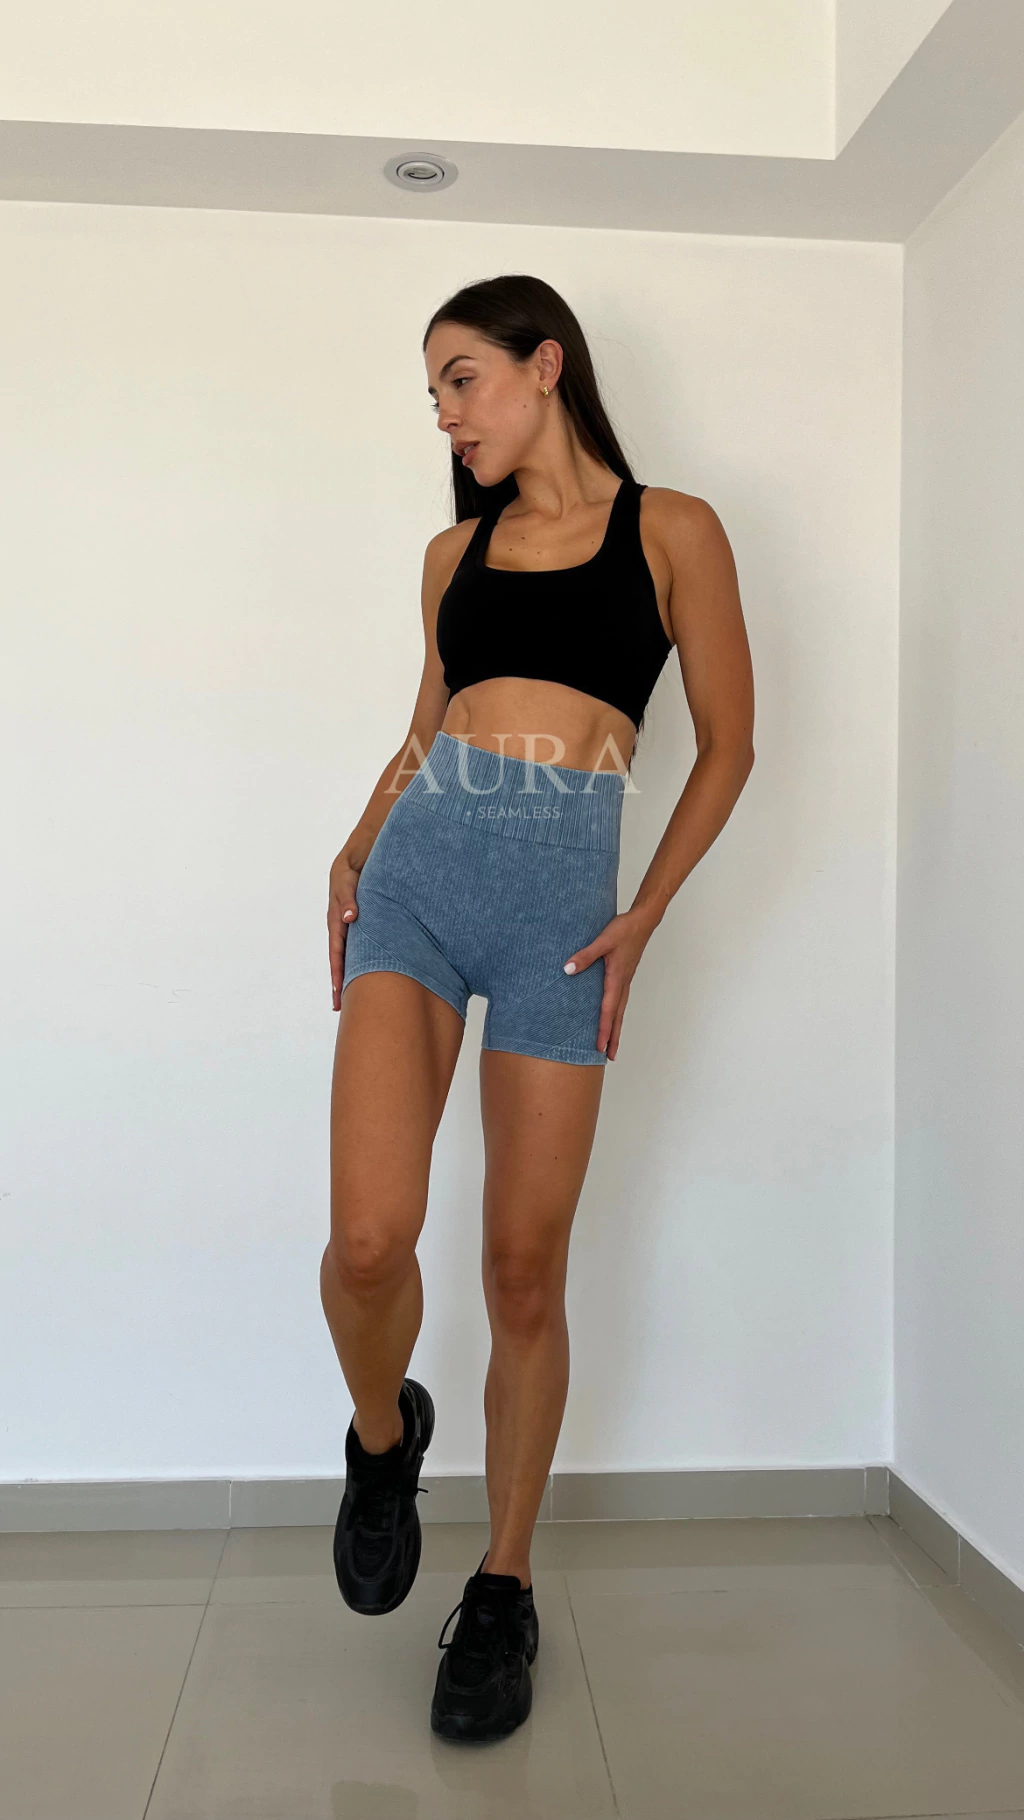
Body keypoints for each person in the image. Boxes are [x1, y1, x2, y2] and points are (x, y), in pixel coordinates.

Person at [321, 273, 755, 1743]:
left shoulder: (673, 530)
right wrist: (356, 847)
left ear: (544, 365)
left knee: (522, 1270)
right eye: (434, 393)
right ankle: (383, 1436)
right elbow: (423, 731)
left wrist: (646, 913)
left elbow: (731, 743)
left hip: (564, 923)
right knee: (368, 1239)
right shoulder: (452, 554)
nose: (445, 414)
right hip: (419, 887)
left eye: (461, 379)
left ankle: (502, 1585)